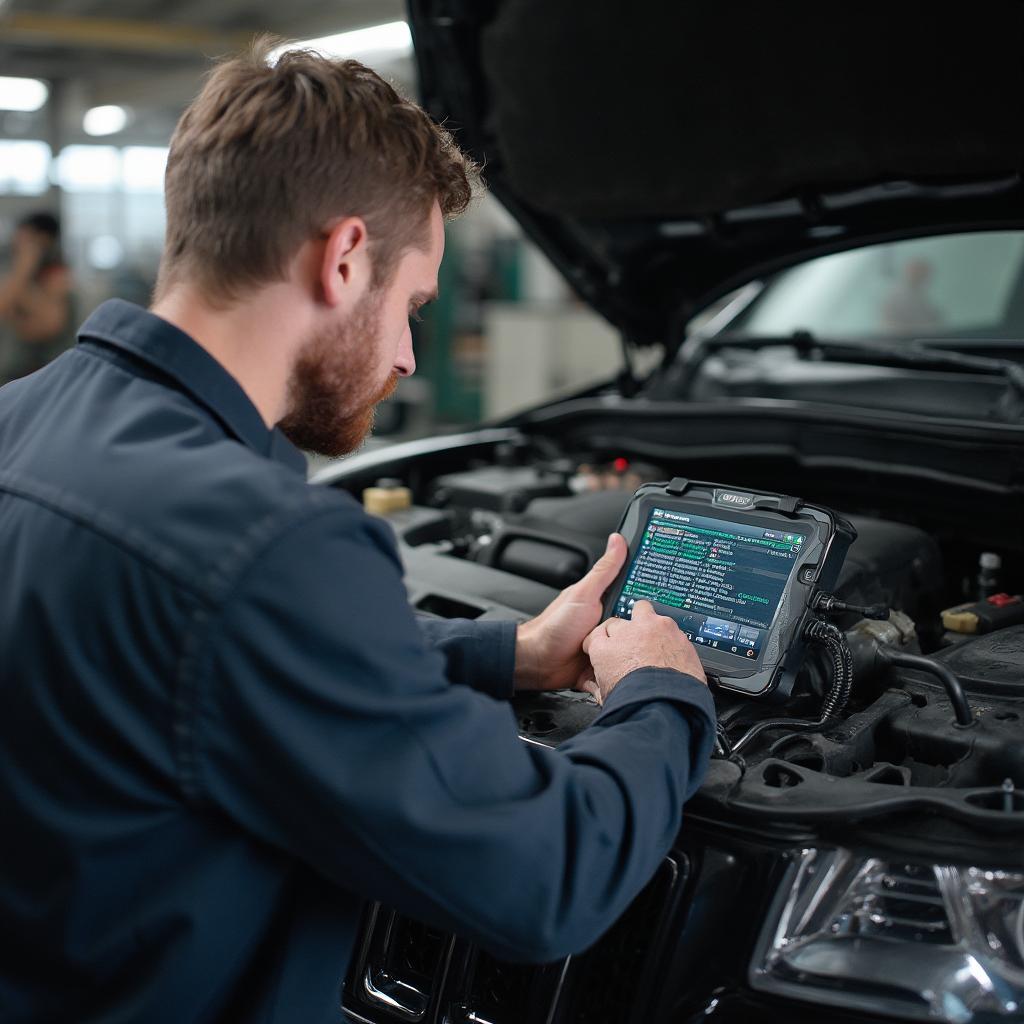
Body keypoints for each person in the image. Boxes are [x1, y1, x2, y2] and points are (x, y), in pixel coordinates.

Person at [0, 40, 715, 1024]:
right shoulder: (265, 547)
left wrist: (505, 652)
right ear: (342, 259)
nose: (410, 356)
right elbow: (545, 878)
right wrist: (662, 693)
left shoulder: (22, 423)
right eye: (412, 304)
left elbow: (179, 647)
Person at [0, 211, 76, 383]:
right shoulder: (13, 268)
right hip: (13, 375)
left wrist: (24, 267)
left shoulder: (57, 272)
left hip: (49, 375)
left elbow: (48, 324)